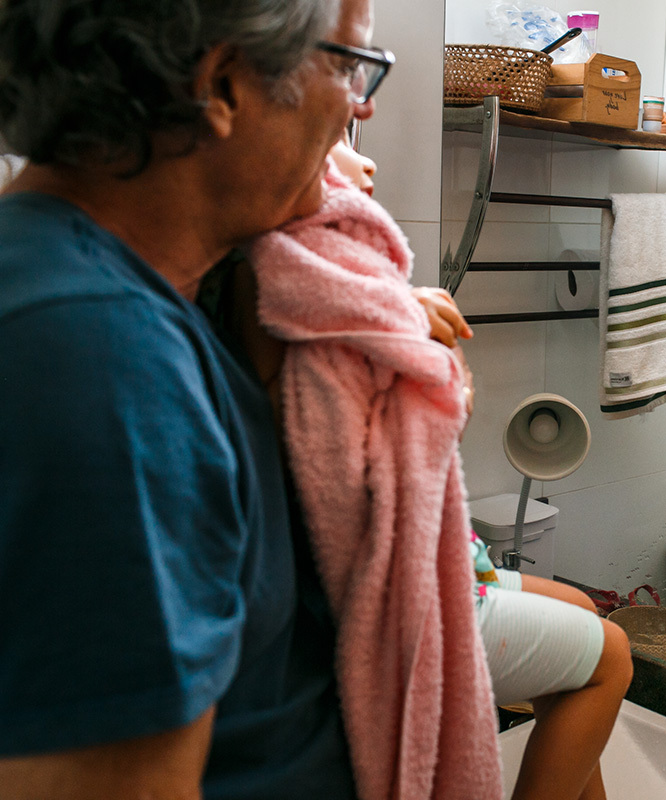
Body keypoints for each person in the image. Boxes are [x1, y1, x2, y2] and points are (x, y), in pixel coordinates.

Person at [0, 1, 397, 797]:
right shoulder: (103, 356)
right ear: (221, 85)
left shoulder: (98, 291)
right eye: (348, 65)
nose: (362, 104)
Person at [237, 132, 632, 800]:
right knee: (610, 660)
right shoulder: (299, 284)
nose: (367, 158)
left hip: (458, 561)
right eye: (335, 140)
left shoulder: (323, 283)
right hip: (410, 590)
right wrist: (414, 345)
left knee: (578, 614)